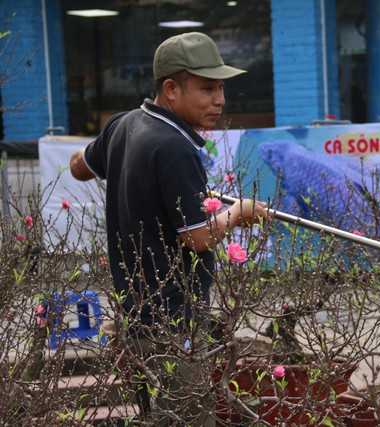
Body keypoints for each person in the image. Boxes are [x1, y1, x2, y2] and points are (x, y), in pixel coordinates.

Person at [69, 32, 269, 425]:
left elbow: (79, 166)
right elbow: (197, 238)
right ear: (171, 88)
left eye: (222, 88)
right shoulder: (174, 147)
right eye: (207, 89)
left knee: (158, 416)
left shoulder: (124, 126)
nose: (220, 100)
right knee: (190, 418)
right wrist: (239, 211)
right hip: (173, 320)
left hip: (137, 316)